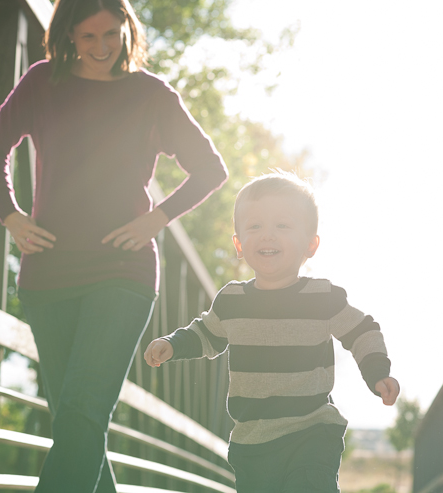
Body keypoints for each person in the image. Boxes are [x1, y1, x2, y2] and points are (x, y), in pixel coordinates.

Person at [0, 0, 228, 491]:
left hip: (122, 272)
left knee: (82, 414)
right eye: (88, 37)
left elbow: (210, 169)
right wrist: (10, 215)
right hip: (47, 274)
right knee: (77, 423)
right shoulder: (43, 82)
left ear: (126, 29)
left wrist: (157, 218)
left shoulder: (150, 94)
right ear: (67, 35)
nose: (102, 48)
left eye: (111, 34)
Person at [144, 171, 400, 493]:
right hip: (253, 442)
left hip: (311, 431)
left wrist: (377, 372)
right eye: (255, 226)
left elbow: (362, 330)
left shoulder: (321, 297)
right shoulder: (232, 301)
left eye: (282, 225)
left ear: (310, 244)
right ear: (238, 244)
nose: (268, 235)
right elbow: (205, 334)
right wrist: (173, 344)